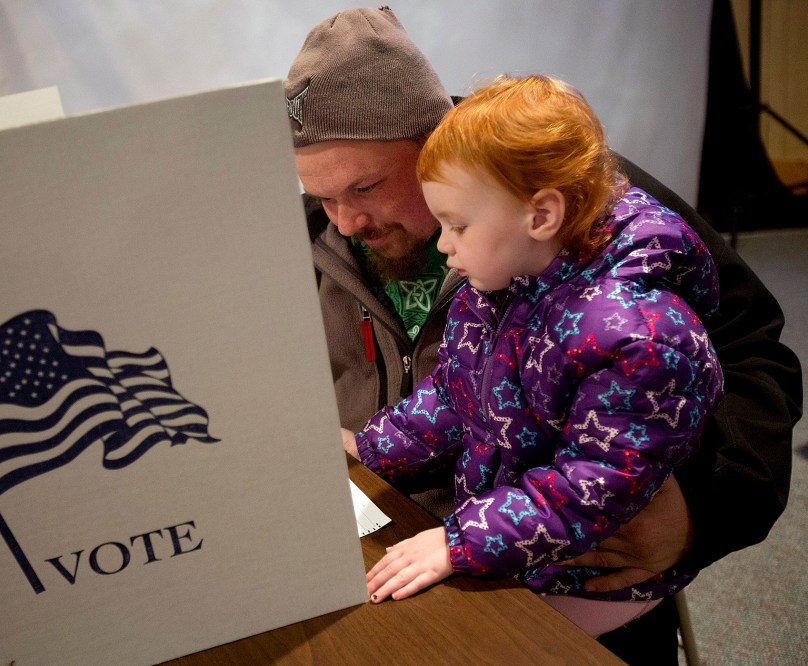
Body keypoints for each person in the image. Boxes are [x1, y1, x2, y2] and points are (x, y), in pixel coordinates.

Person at [284, 6, 802, 664]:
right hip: (389, 533)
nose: (345, 220)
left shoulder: (583, 204)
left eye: (367, 185)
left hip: (561, 560)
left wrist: (702, 508)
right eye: (322, 195)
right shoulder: (308, 233)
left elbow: (757, 356)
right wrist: (362, 451)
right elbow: (456, 394)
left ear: (434, 135)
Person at [342, 71, 724, 638]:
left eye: (458, 225)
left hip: (585, 570)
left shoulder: (640, 339)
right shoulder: (499, 282)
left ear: (541, 215)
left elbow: (588, 487)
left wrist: (459, 542)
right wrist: (369, 449)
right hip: (511, 534)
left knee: (433, 639)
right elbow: (455, 392)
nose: (443, 245)